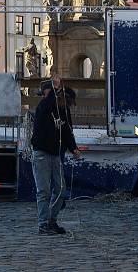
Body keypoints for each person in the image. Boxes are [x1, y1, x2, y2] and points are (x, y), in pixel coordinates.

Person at [31, 76, 82, 235]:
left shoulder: (63, 111)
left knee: (61, 189)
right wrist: (55, 89)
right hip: (42, 154)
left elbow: (67, 131)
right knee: (44, 191)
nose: (65, 104)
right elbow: (47, 104)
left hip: (54, 154)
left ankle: (51, 220)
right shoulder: (44, 108)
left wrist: (74, 148)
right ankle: (43, 223)